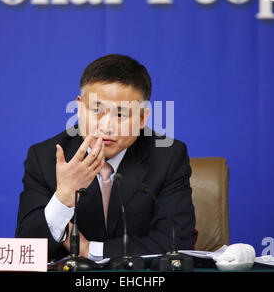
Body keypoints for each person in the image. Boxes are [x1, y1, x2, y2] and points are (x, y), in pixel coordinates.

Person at [15, 54, 195, 262]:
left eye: (121, 114)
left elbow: (175, 242)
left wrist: (89, 250)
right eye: (96, 111)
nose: (107, 126)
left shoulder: (168, 156)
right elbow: (26, 247)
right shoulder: (46, 157)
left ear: (142, 118)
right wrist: (64, 197)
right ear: (79, 108)